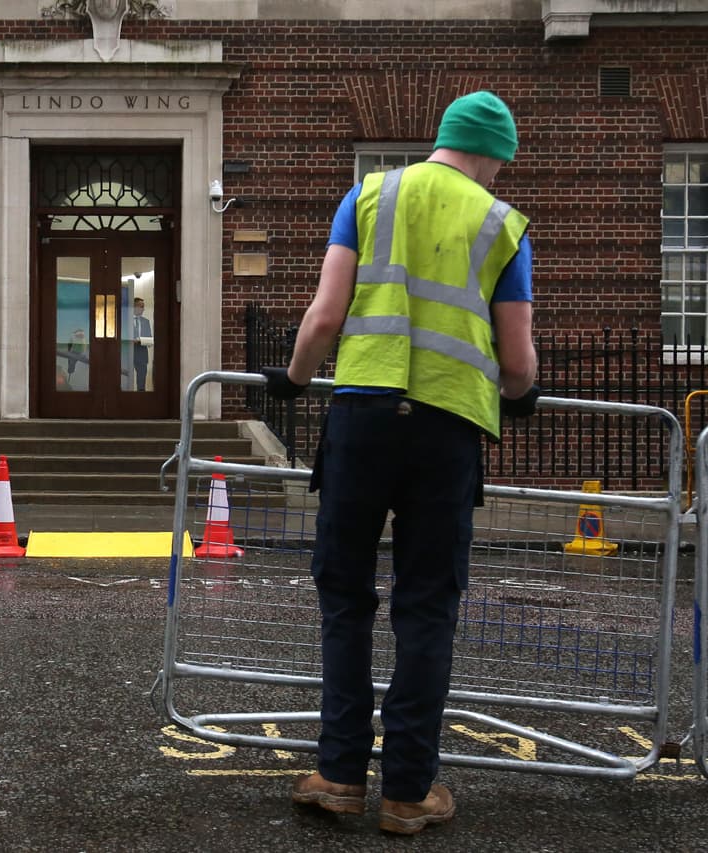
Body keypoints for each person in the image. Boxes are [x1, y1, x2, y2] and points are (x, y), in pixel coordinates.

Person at [262, 91, 539, 835]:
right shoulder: (500, 225)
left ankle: (340, 773)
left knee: (345, 596)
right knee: (426, 606)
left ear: (441, 140)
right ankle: (410, 790)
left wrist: (292, 379)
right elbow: (517, 363)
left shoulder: (370, 194)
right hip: (446, 431)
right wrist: (520, 394)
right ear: (494, 157)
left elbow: (324, 318)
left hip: (362, 418)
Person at [131, 297, 151, 391]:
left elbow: (150, 340)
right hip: (128, 353)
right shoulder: (125, 320)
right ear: (134, 307)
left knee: (141, 382)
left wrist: (140, 340)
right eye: (141, 306)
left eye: (143, 307)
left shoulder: (146, 322)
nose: (143, 309)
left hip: (142, 354)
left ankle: (141, 400)